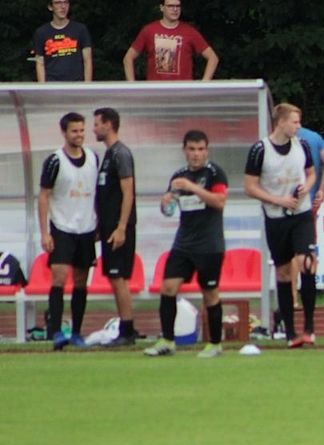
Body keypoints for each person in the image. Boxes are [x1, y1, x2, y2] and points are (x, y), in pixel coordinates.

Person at [144, 130, 229, 357]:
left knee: (209, 292)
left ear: (207, 151)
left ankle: (215, 344)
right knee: (168, 288)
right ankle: (167, 340)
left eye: (200, 149)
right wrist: (165, 203)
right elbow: (169, 209)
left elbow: (219, 202)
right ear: (184, 150)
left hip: (209, 244)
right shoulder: (179, 176)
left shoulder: (215, 173)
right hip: (183, 243)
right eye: (192, 149)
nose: (196, 154)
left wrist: (193, 188)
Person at [243, 103, 318, 348]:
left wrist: (307, 187)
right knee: (283, 272)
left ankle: (309, 327)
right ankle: (290, 333)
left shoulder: (302, 145)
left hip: (301, 213)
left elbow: (311, 173)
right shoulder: (260, 150)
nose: (298, 126)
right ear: (281, 122)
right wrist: (277, 200)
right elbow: (250, 187)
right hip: (276, 217)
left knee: (307, 263)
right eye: (295, 122)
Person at [37, 112, 98, 350]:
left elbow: (97, 193)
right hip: (62, 227)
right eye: (74, 131)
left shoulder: (93, 158)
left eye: (82, 130)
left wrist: (99, 224)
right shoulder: (55, 161)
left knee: (81, 281)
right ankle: (55, 333)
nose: (79, 135)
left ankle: (76, 332)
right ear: (64, 132)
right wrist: (45, 232)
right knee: (60, 277)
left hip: (86, 229)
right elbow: (44, 195)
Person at [93, 108, 138, 346]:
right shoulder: (108, 154)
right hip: (108, 227)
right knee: (114, 277)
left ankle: (127, 330)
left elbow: (128, 192)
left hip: (119, 228)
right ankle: (126, 328)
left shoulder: (121, 153)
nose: (94, 129)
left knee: (118, 277)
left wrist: (121, 227)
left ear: (108, 124)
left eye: (97, 124)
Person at [123, 0, 218, 81]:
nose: (175, 9)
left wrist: (204, 83)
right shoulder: (149, 30)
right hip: (155, 92)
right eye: (170, 6)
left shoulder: (190, 32)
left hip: (183, 92)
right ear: (162, 8)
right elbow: (128, 58)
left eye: (178, 6)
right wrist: (132, 87)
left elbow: (213, 58)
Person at [33, 0, 92, 82]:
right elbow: (40, 63)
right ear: (50, 7)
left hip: (76, 83)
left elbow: (87, 60)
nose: (63, 6)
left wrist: (87, 85)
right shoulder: (41, 32)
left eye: (66, 2)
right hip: (52, 84)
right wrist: (42, 87)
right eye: (58, 3)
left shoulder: (80, 29)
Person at [297, 126, 324, 212]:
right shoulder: (313, 137)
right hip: (310, 202)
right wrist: (321, 190)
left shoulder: (275, 138)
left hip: (282, 203)